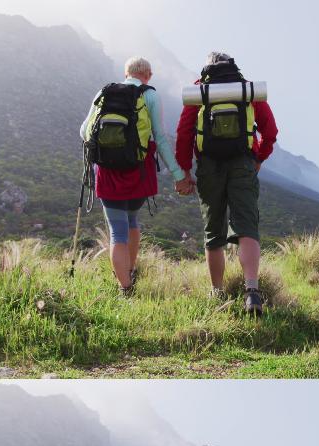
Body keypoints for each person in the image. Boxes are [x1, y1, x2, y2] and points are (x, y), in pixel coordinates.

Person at [174, 52, 278, 315]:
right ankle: (252, 292)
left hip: (209, 165)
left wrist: (185, 170)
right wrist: (258, 159)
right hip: (243, 162)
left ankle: (217, 293)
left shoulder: (200, 91)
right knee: (246, 227)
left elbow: (184, 133)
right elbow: (270, 131)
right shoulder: (245, 89)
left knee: (214, 232)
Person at [80, 57, 187, 297]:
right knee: (132, 221)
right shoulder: (149, 95)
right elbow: (159, 138)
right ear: (148, 74)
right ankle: (129, 270)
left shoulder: (104, 92)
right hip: (138, 172)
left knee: (117, 231)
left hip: (108, 172)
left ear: (125, 73)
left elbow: (84, 130)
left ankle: (125, 288)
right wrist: (178, 174)